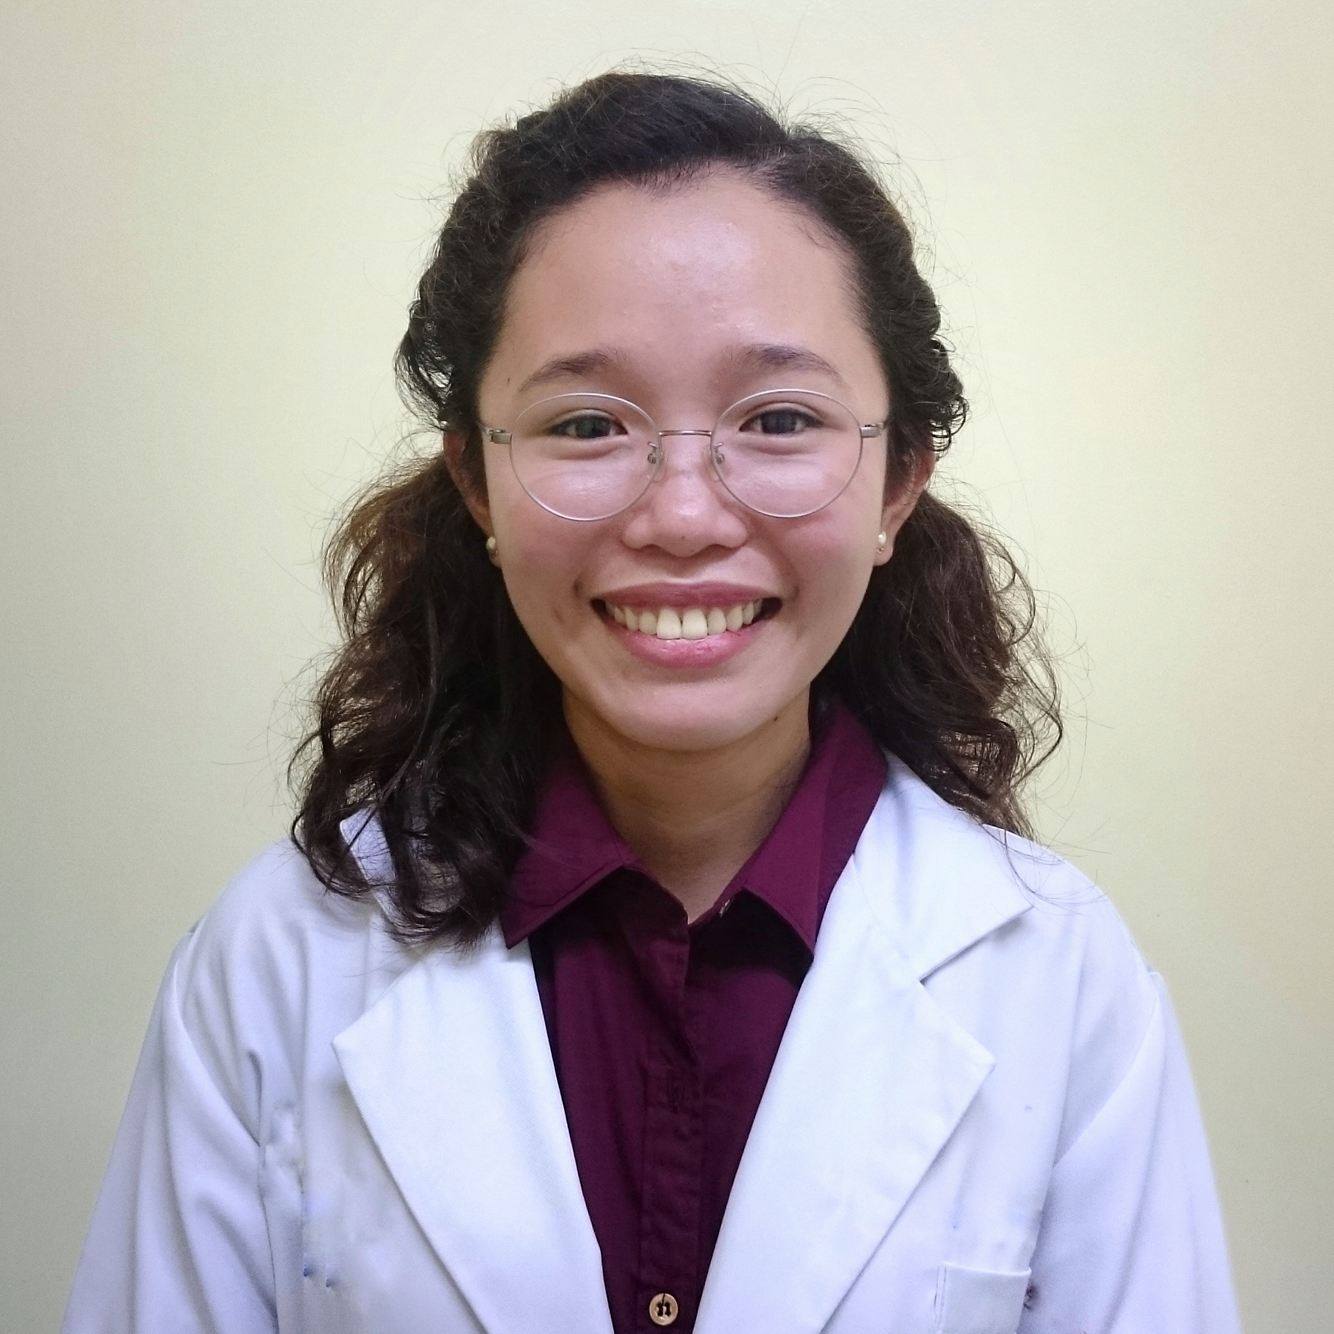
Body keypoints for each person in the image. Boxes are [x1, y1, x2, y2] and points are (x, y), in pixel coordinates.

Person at [63, 69, 1242, 1334]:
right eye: (586, 424)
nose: (681, 513)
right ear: (475, 481)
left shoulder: (1060, 978)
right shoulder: (276, 960)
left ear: (897, 480)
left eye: (777, 417)